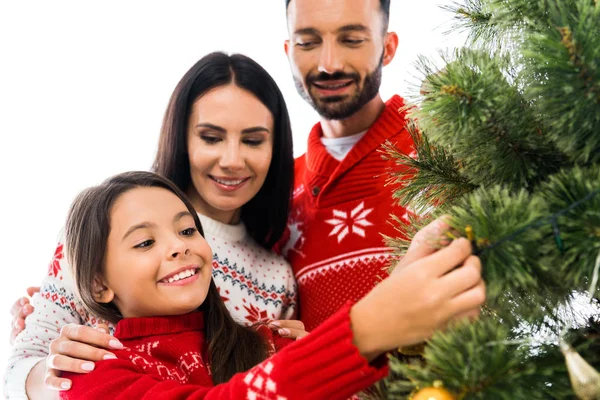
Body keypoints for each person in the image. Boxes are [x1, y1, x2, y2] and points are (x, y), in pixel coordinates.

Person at [5, 52, 301, 399]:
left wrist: (301, 358)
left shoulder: (276, 276)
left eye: (253, 140)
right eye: (211, 137)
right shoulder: (105, 226)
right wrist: (59, 375)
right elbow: (18, 369)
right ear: (182, 138)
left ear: (275, 147)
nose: (233, 160)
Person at [64, 171, 487, 400]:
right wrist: (369, 326)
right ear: (99, 284)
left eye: (188, 231)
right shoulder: (91, 376)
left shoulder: (270, 341)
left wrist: (416, 320)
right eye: (144, 241)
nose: (179, 247)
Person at [277, 0, 417, 331]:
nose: (329, 64)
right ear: (288, 51)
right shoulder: (274, 193)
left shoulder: (452, 150)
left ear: (388, 47)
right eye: (307, 43)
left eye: (351, 40)